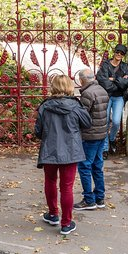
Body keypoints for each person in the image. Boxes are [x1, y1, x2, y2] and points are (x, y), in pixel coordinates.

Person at [35, 74, 91, 235]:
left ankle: (53, 214)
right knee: (67, 187)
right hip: (70, 150)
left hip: (50, 150)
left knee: (50, 181)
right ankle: (66, 223)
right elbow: (87, 123)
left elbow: (38, 131)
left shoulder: (45, 106)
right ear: (69, 87)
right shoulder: (75, 106)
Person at [74, 68, 109, 211]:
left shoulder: (88, 93)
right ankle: (99, 197)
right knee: (97, 165)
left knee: (84, 166)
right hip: (101, 133)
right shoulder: (101, 89)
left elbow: (83, 116)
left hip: (90, 135)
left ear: (82, 80)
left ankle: (89, 199)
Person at [96, 43, 128, 157]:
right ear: (114, 52)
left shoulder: (125, 67)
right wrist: (120, 81)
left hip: (119, 97)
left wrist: (114, 79)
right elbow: (103, 82)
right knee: (105, 121)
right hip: (106, 96)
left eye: (122, 53)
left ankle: (112, 139)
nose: (119, 54)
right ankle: (105, 148)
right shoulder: (105, 65)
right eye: (118, 52)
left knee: (116, 121)